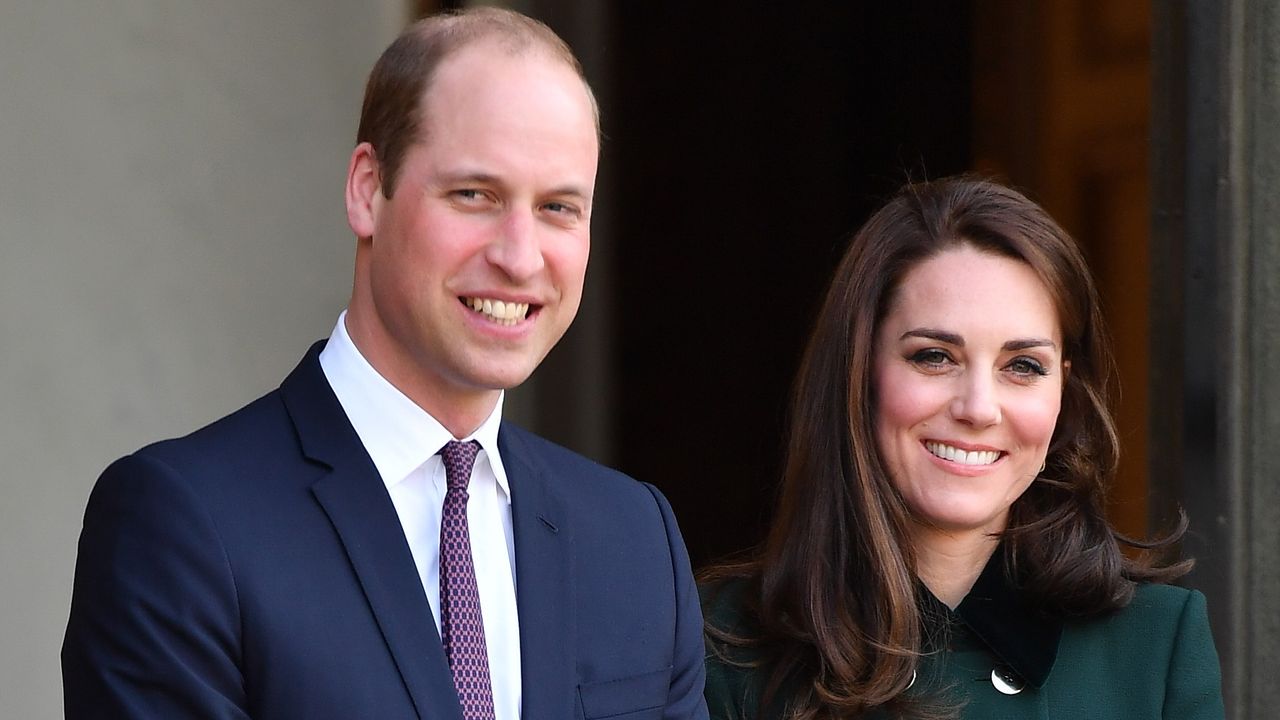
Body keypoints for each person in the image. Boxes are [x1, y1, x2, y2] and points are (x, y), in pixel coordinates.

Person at [62, 8, 706, 720]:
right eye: (475, 195)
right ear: (368, 189)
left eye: (558, 207)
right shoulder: (182, 525)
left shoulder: (635, 541)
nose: (520, 257)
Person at [701, 177, 1224, 719]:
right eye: (934, 356)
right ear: (859, 373)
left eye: (1023, 366)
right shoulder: (722, 645)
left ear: (1064, 394)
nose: (978, 407)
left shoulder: (1156, 644)